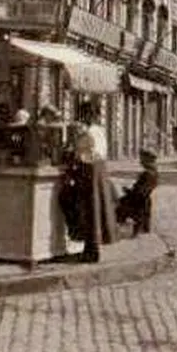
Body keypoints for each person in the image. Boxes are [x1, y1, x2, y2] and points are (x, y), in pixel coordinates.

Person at [61, 100, 118, 263]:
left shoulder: (89, 133)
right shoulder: (99, 131)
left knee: (90, 209)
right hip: (98, 170)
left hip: (90, 171)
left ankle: (91, 250)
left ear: (88, 115)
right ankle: (91, 247)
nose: (83, 118)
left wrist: (74, 154)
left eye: (85, 114)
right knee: (95, 209)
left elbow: (85, 154)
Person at [117, 148, 158, 236]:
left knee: (116, 204)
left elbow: (139, 193)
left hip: (138, 203)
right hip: (144, 201)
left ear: (147, 160)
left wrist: (128, 192)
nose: (140, 161)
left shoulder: (147, 174)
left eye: (142, 159)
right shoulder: (154, 172)